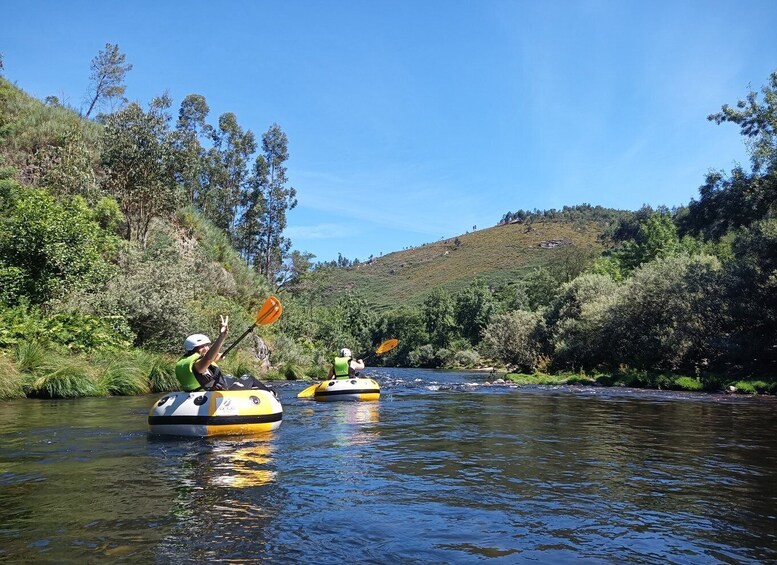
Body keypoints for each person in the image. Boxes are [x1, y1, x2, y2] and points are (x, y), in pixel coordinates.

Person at [175, 315, 272, 393]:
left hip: (198, 392)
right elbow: (208, 359)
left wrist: (215, 359)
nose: (206, 348)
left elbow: (207, 363)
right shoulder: (198, 364)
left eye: (207, 345)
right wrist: (222, 336)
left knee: (229, 378)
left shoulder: (185, 361)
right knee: (248, 378)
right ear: (193, 348)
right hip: (209, 395)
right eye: (202, 346)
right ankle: (271, 395)